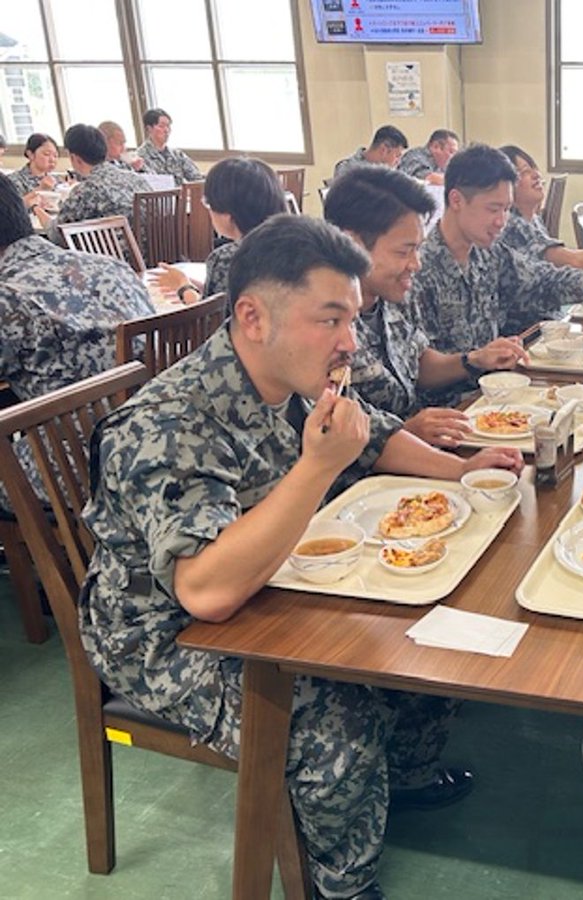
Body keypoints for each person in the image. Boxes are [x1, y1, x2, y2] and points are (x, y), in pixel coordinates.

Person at [79, 214, 523, 899]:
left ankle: (392, 784)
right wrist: (316, 471)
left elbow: (368, 432)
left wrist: (459, 472)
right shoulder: (167, 424)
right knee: (330, 720)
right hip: (165, 634)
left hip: (276, 583)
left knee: (429, 638)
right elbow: (205, 592)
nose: (350, 342)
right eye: (331, 319)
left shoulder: (290, 375)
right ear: (253, 317)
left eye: (353, 317)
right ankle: (338, 885)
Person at [324, 165, 530, 448]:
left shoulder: (388, 296)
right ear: (351, 244)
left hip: (420, 451)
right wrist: (405, 432)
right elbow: (331, 437)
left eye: (418, 249)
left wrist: (474, 360)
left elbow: (418, 361)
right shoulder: (321, 326)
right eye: (403, 251)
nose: (416, 263)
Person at [408, 143, 583, 403]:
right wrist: (473, 360)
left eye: (506, 209)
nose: (502, 221)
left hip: (497, 393)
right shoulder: (417, 268)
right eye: (493, 209)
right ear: (456, 200)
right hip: (451, 409)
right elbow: (418, 369)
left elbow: (537, 279)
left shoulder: (487, 253)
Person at [0, 176, 155, 509]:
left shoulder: (7, 296)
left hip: (77, 468)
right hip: (159, 445)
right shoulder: (111, 267)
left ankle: (30, 558)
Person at [496, 144, 583, 286]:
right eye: (525, 171)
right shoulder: (513, 223)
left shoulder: (533, 218)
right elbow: (568, 259)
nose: (536, 175)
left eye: (534, 168)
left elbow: (556, 264)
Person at [150, 156, 287, 301]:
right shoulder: (298, 243)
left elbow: (214, 319)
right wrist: (199, 285)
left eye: (208, 203)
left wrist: (184, 287)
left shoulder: (229, 257)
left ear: (228, 214)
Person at [41, 124, 151, 243]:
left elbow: (56, 235)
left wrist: (36, 207)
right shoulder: (136, 178)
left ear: (74, 158)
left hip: (112, 258)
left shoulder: (87, 190)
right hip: (154, 255)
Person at [136, 108, 203, 184]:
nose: (166, 130)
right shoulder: (140, 157)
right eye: (161, 126)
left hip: (180, 195)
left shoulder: (177, 155)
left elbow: (197, 179)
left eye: (168, 126)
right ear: (149, 128)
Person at [332, 124, 408, 180]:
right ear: (383, 150)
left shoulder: (388, 169)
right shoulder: (348, 169)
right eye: (397, 156)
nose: (398, 161)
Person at [7, 133, 59, 208]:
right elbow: (11, 209)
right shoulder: (13, 180)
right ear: (30, 154)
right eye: (46, 154)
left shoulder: (57, 180)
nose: (52, 160)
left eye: (55, 156)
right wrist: (40, 189)